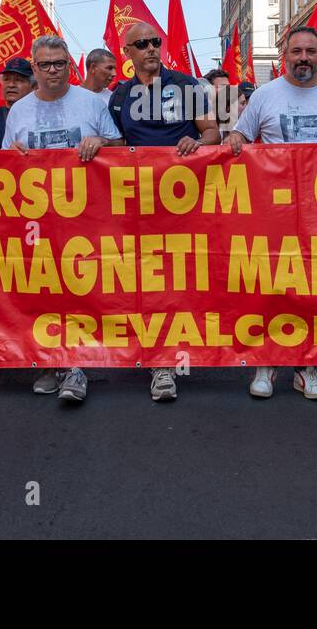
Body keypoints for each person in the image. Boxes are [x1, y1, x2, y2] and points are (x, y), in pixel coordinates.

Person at [227, 26, 317, 401]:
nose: (303, 58)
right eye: (296, 52)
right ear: (283, 57)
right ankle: (267, 362)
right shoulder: (265, 96)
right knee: (273, 284)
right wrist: (235, 140)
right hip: (275, 212)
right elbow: (241, 136)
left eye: (310, 52)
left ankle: (307, 367)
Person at [2, 35, 124, 403]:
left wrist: (101, 143)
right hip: (37, 219)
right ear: (34, 68)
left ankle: (74, 366)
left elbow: (121, 148)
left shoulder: (91, 103)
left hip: (85, 218)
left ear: (70, 65)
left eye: (59, 63)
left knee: (78, 291)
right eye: (44, 65)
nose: (52, 71)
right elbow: (5, 162)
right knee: (42, 292)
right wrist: (16, 156)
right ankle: (48, 361)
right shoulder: (19, 110)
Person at [108, 22, 221, 402]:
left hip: (185, 204)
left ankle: (170, 359)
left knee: (180, 281)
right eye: (141, 44)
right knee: (146, 283)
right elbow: (118, 146)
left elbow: (213, 133)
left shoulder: (189, 86)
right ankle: (156, 358)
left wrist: (197, 139)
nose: (151, 48)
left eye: (155, 41)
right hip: (137, 206)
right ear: (127, 53)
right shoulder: (120, 96)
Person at [0, 57, 36, 139]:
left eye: (18, 80)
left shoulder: (40, 116)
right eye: (6, 79)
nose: (11, 85)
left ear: (33, 86)